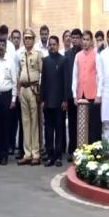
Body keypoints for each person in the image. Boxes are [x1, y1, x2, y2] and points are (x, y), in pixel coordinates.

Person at [0, 39, 17, 165]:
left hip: (6, 96)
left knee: (5, 127)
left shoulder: (10, 62)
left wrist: (13, 99)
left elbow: (14, 81)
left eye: (2, 45)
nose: (1, 47)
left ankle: (4, 156)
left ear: (5, 47)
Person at [17, 28, 42, 166]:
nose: (27, 40)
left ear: (34, 39)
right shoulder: (20, 55)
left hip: (33, 89)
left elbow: (42, 73)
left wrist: (40, 92)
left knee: (34, 123)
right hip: (23, 89)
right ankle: (27, 153)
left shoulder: (38, 54)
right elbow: (19, 72)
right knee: (25, 122)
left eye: (30, 38)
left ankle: (36, 153)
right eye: (25, 38)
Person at [72, 30, 102, 143]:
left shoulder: (96, 55)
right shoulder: (77, 56)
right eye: (83, 39)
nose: (85, 42)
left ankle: (95, 151)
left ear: (91, 41)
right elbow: (74, 76)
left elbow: (100, 76)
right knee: (82, 125)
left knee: (94, 125)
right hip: (81, 95)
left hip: (93, 95)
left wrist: (99, 95)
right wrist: (75, 95)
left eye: (87, 39)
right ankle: (83, 150)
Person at [41, 36, 66, 167]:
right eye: (50, 45)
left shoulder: (63, 60)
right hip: (48, 102)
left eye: (54, 44)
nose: (52, 46)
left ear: (58, 45)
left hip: (59, 102)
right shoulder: (44, 61)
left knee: (59, 131)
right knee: (48, 131)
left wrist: (65, 100)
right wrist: (42, 99)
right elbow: (43, 81)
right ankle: (50, 155)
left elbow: (66, 82)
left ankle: (58, 156)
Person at [64, 28, 83, 161]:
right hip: (71, 95)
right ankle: (71, 149)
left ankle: (81, 149)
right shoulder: (67, 54)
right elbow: (66, 77)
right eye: (73, 37)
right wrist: (66, 97)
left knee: (82, 123)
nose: (75, 40)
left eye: (77, 37)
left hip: (82, 94)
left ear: (81, 38)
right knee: (71, 123)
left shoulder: (84, 53)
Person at [9, 29, 23, 156]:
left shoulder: (22, 53)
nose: (16, 40)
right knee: (12, 121)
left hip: (22, 92)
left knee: (22, 121)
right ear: (11, 39)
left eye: (18, 37)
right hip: (13, 92)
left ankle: (21, 147)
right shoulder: (10, 53)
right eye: (14, 37)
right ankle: (11, 145)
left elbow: (20, 74)